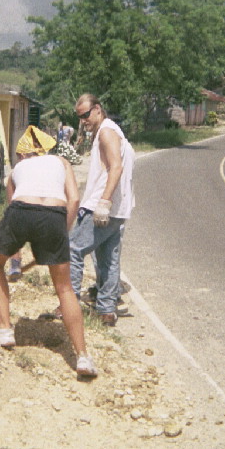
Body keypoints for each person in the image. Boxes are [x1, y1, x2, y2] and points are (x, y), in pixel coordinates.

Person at [0, 125, 97, 377]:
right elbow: (75, 200)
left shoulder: (17, 170)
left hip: (22, 212)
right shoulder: (61, 161)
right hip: (55, 215)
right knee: (65, 288)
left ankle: (4, 329)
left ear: (24, 154)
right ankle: (82, 357)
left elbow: (13, 208)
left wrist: (17, 254)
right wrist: (60, 235)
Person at [68, 94, 135, 327]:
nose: (83, 121)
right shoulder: (115, 132)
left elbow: (116, 167)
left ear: (97, 109)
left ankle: (69, 304)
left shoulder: (106, 132)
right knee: (108, 258)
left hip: (102, 206)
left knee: (73, 249)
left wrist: (104, 202)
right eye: (79, 117)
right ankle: (107, 309)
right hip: (119, 208)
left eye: (86, 115)